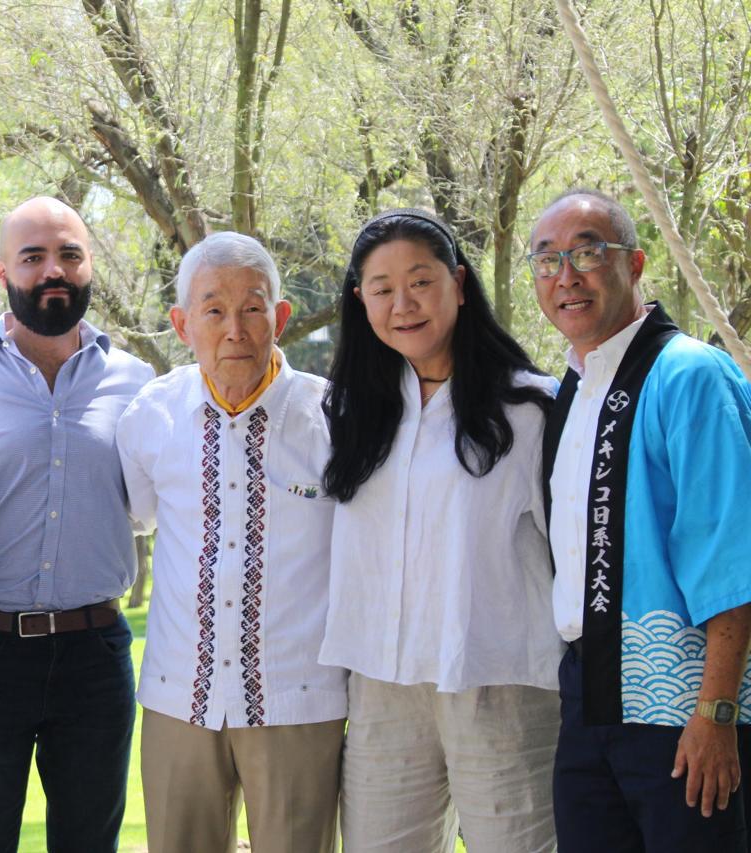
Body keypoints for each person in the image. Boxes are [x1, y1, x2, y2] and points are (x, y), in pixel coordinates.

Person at [316, 209, 563, 852]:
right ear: (359, 299)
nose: (403, 303)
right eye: (381, 288)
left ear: (458, 282)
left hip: (500, 679)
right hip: (381, 685)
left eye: (421, 281)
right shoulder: (346, 412)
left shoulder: (532, 409)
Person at [530, 188, 751, 852]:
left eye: (588, 252)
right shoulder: (574, 387)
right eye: (547, 260)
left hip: (684, 710)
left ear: (637, 263)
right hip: (590, 702)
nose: (566, 275)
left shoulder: (688, 376)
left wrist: (715, 712)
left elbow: (733, 553)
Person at [116, 232, 348, 853]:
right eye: (213, 309)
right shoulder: (151, 416)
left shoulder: (334, 419)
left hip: (297, 699)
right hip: (177, 697)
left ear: (280, 316)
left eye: (253, 308)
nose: (234, 328)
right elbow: (139, 518)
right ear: (182, 324)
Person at [0, 196, 155, 853]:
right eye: (33, 256)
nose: (52, 269)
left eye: (68, 254)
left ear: (91, 267)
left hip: (96, 654)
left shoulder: (139, 384)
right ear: (3, 269)